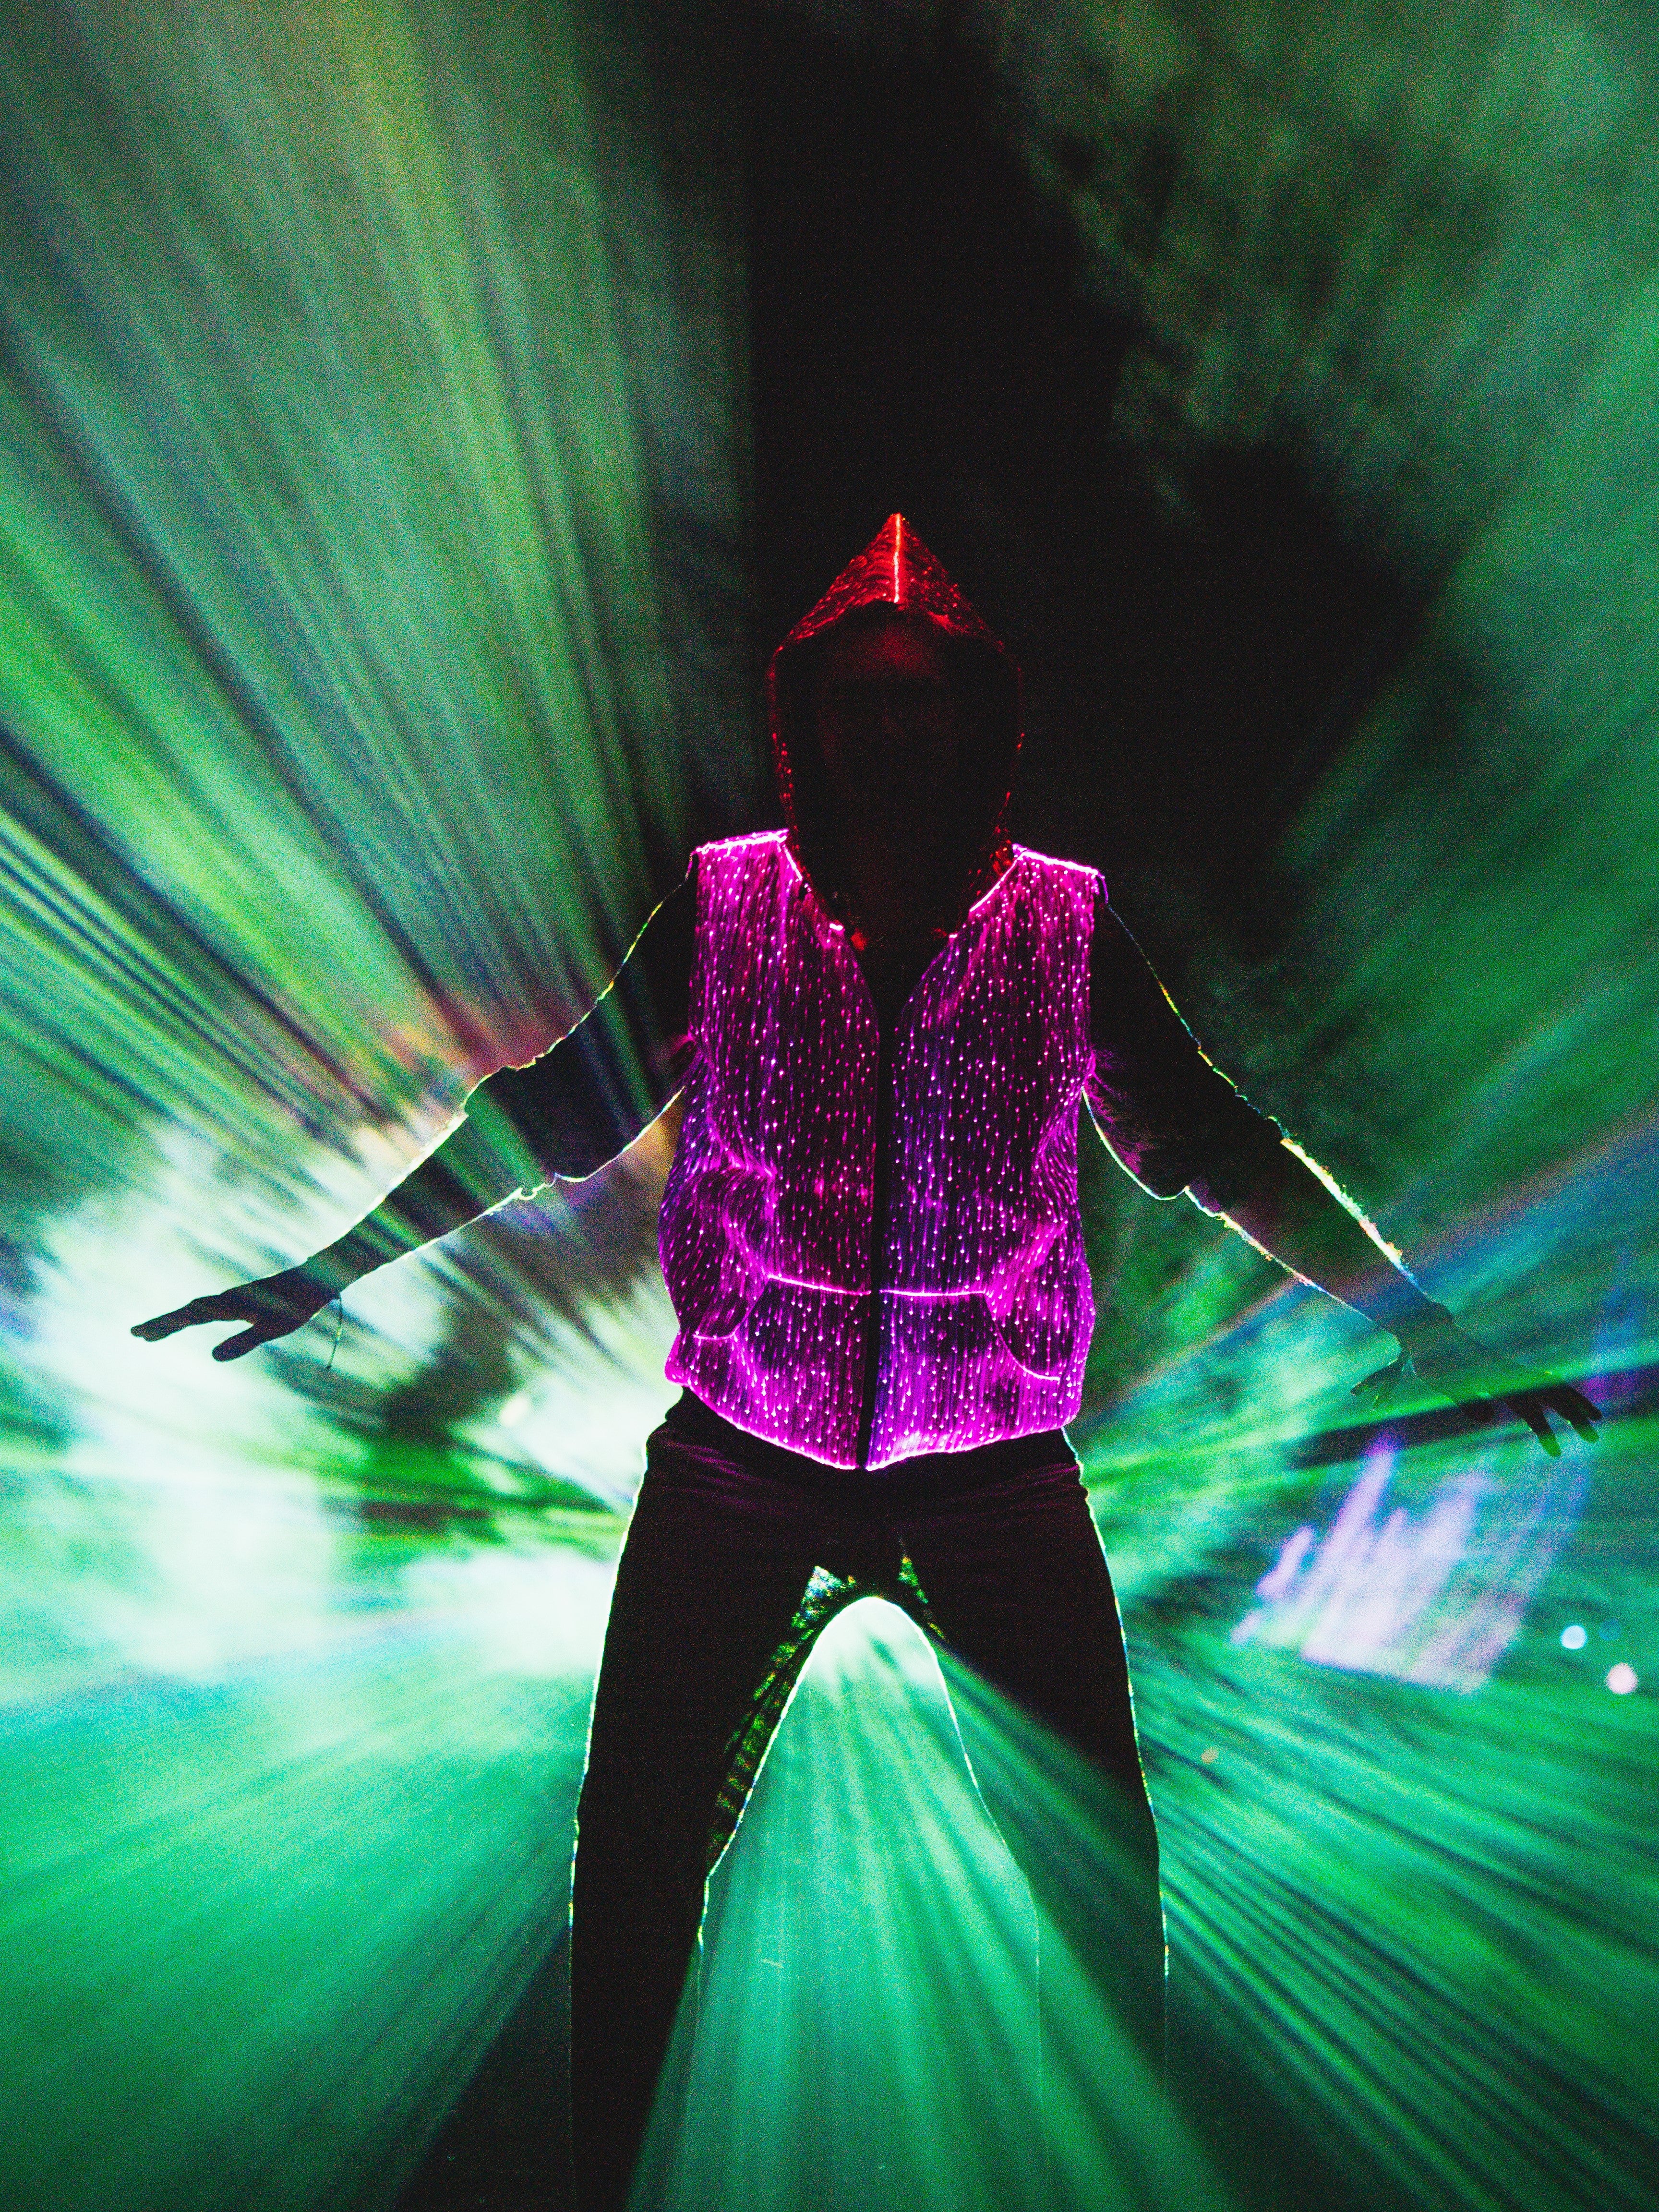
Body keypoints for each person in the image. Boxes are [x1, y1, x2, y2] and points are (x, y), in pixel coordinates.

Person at [134, 516, 1598, 2210]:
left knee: (1104, 1899)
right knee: (627, 1891)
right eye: (858, 701)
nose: (890, 732)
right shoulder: (725, 901)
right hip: (737, 1464)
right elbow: (556, 1113)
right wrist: (330, 1272)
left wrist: (1430, 1331)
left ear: (979, 720)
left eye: (920, 702)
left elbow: (1210, 1144)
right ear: (807, 718)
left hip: (994, 1480)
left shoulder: (1063, 929)